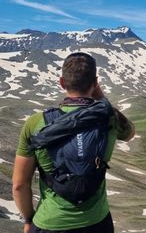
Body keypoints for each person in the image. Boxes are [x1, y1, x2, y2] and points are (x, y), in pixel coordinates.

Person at [12, 52, 135, 233]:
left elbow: (19, 184)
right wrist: (100, 97)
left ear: (62, 83)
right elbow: (130, 132)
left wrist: (29, 219)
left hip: (50, 223)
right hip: (97, 222)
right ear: (95, 83)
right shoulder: (109, 119)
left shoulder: (35, 123)